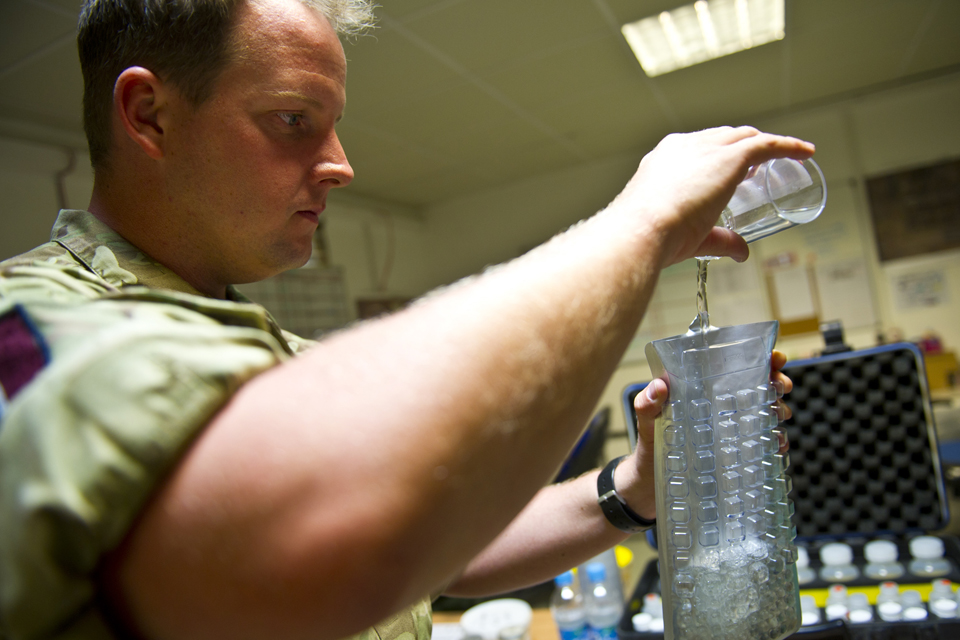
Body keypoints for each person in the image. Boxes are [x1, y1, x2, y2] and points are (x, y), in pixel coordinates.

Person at [0, 0, 805, 638]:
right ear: (148, 115)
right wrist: (639, 226)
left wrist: (634, 488)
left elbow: (434, 548)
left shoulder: (268, 351)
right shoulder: (34, 324)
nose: (341, 163)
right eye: (292, 119)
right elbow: (337, 522)